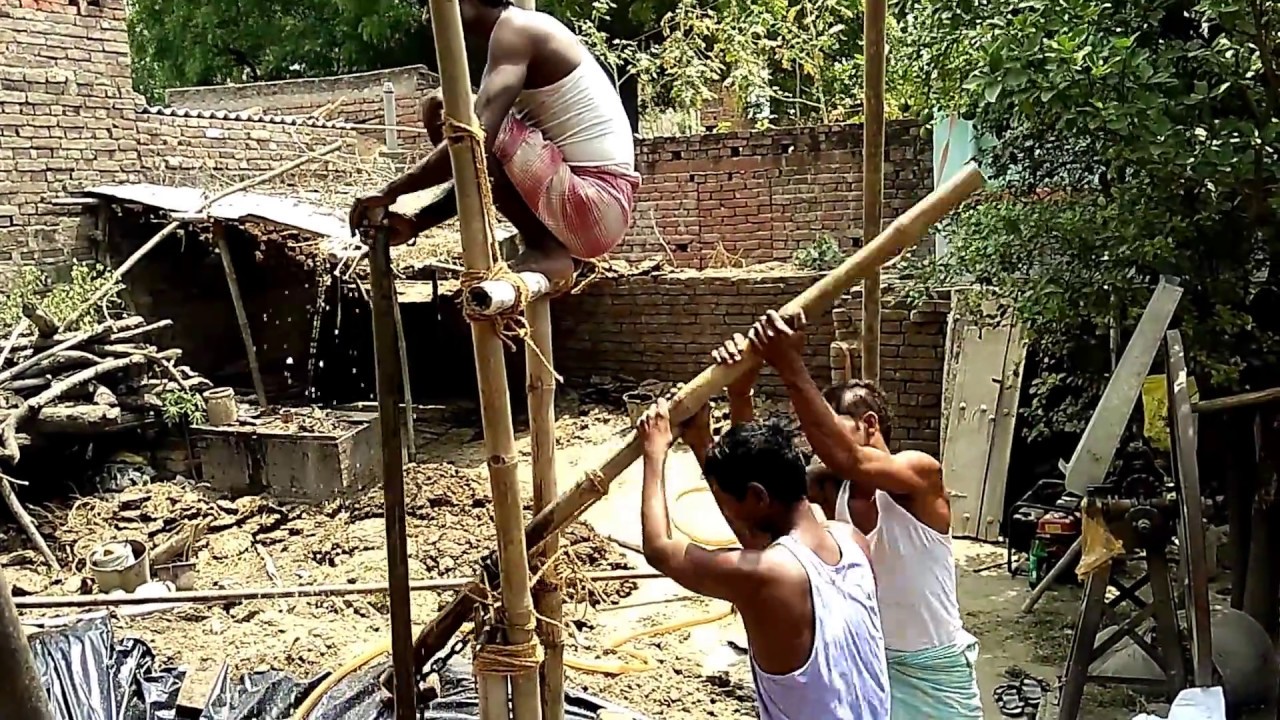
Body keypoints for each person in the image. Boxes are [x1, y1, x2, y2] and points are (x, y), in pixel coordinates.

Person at [731, 309, 982, 720]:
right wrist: (740, 394)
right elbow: (761, 482)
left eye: (829, 423)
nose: (815, 436)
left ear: (869, 423)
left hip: (934, 669)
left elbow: (848, 458)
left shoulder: (918, 474)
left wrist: (789, 363)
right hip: (869, 660)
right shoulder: (832, 489)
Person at [348, 0, 640, 285]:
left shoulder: (516, 31)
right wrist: (417, 223)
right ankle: (548, 246)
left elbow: (473, 142)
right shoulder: (509, 39)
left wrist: (391, 191)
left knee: (447, 109)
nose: (430, 12)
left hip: (596, 204)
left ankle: (546, 250)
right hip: (593, 211)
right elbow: (484, 169)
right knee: (465, 122)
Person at [635, 397, 890, 720]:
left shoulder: (769, 574)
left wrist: (654, 453)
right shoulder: (851, 541)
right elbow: (763, 544)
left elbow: (660, 548)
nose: (726, 510)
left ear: (758, 496)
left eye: (727, 501)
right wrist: (702, 441)